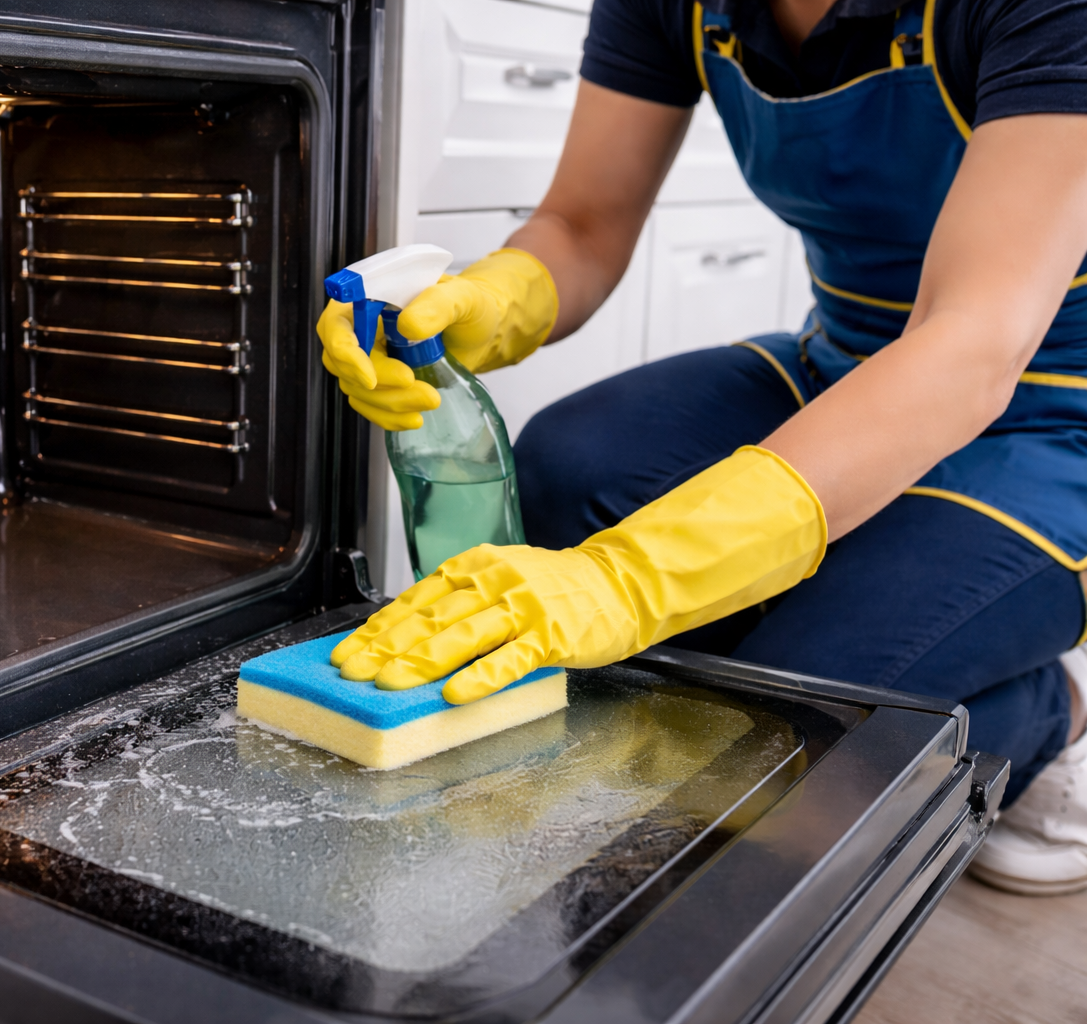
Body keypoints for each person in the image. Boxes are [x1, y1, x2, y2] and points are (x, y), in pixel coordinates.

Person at [317, 0, 1087, 894]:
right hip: (846, 358)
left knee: (788, 727)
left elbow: (970, 346)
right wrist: (486, 301)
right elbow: (581, 227)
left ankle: (1055, 710)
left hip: (1050, 413)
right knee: (571, 470)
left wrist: (631, 581)